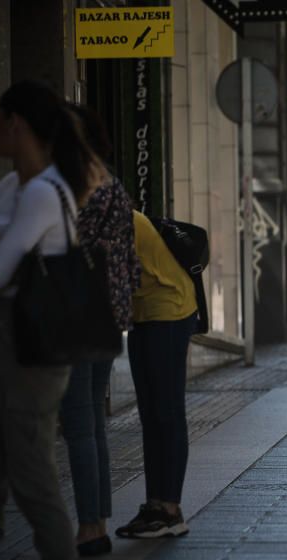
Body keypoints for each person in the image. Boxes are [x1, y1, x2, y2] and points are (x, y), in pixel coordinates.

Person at [0, 80, 102, 560]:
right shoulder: (8, 186)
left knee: (32, 476)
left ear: (17, 125)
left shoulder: (47, 191)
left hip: (31, 350)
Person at [59, 104, 139, 558]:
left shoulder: (78, 188)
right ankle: (97, 521)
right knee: (92, 421)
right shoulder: (110, 180)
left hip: (79, 314)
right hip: (108, 313)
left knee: (80, 424)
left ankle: (90, 526)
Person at [114, 210, 198, 539]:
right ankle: (155, 505)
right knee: (151, 414)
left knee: (167, 411)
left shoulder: (117, 218)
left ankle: (171, 511)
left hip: (170, 309)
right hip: (144, 313)